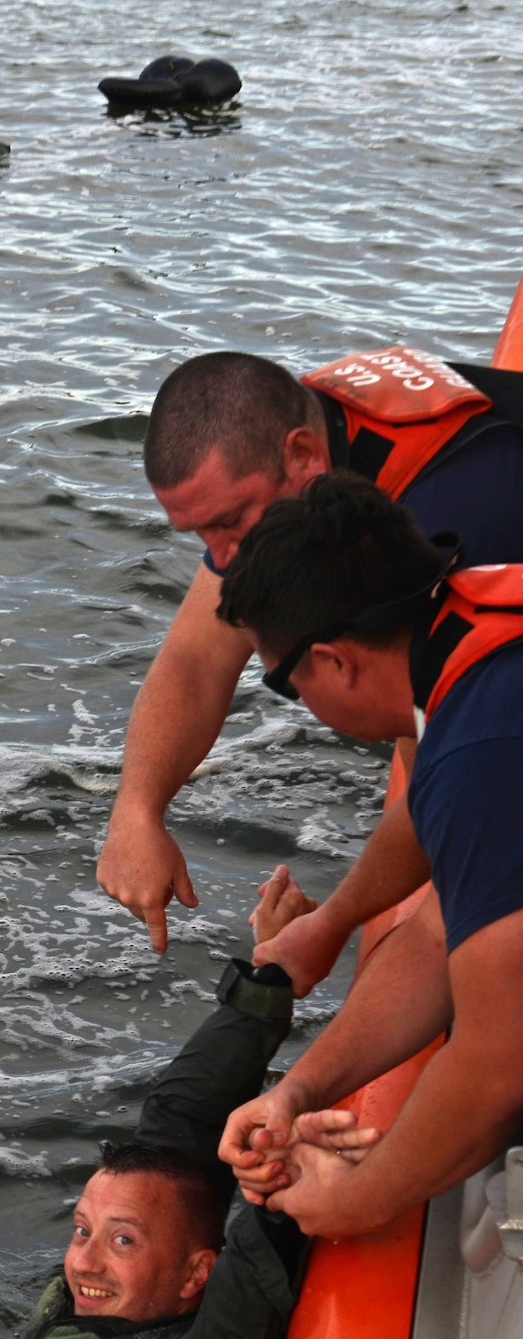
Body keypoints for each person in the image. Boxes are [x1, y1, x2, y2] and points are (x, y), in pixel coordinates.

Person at [96, 344, 523, 981]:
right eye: (200, 535)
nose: (224, 559)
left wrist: (335, 921)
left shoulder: (447, 523)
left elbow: (441, 787)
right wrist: (136, 810)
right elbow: (196, 656)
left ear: (303, 456)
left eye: (233, 522)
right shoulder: (299, 445)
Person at [213, 473, 523, 1237]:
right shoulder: (477, 618)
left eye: (286, 686)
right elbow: (435, 932)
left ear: (334, 661)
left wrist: (355, 1201)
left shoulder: (478, 751)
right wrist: (298, 1092)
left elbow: (497, 1063)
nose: (304, 707)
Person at [19, 867, 313, 1339]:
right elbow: (180, 1125)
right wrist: (270, 978)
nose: (83, 1263)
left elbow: (237, 1325)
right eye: (82, 1230)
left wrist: (278, 1193)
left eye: (120, 1239)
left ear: (197, 1273)